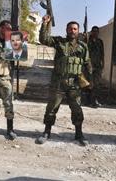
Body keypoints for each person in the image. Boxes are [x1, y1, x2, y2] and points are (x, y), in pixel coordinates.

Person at [36, 15, 91, 146]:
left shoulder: (83, 47)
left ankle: (79, 134)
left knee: (77, 109)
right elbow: (44, 39)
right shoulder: (59, 42)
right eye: (70, 29)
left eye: (75, 29)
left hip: (75, 83)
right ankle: (46, 132)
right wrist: (44, 24)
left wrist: (89, 82)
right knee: (51, 108)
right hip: (59, 82)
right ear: (66, 30)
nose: (72, 31)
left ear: (78, 31)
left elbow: (87, 64)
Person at [86, 26, 104, 108]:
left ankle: (94, 100)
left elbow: (102, 53)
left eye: (97, 31)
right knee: (89, 83)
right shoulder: (87, 41)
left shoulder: (100, 42)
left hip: (97, 65)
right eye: (94, 31)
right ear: (91, 32)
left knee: (97, 84)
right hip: (89, 65)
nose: (95, 33)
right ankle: (88, 100)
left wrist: (103, 63)